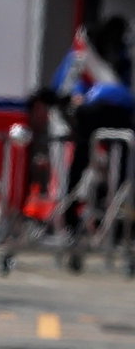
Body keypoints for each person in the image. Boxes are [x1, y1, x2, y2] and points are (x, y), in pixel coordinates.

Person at [53, 15, 135, 223]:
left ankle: (111, 212)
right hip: (91, 113)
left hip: (110, 114)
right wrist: (76, 99)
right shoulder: (84, 53)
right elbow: (69, 84)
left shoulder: (121, 56)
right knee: (82, 161)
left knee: (110, 163)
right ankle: (71, 212)